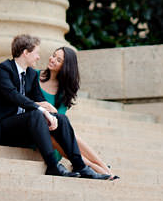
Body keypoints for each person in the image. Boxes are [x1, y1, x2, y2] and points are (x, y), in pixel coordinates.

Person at [0, 34, 111, 180]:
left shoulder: (31, 74)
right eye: (36, 53)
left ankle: (80, 166)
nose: (39, 57)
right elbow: (14, 96)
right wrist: (42, 109)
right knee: (37, 114)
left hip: (20, 130)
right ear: (26, 53)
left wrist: (51, 113)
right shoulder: (2, 70)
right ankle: (52, 165)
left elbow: (39, 99)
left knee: (62, 119)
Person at [38, 46, 118, 180]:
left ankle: (101, 166)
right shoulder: (34, 76)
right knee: (52, 131)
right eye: (53, 56)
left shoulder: (63, 90)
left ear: (65, 66)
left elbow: (60, 117)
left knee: (68, 132)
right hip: (38, 134)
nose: (52, 60)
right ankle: (96, 168)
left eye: (58, 60)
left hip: (57, 141)